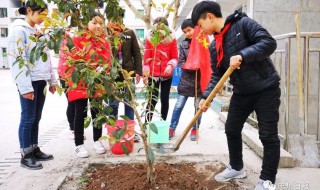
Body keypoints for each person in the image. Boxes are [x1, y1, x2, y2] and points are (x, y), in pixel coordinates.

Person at [191, 1, 280, 189]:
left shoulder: (243, 24)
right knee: (231, 129)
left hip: (266, 88)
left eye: (200, 25)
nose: (200, 30)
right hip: (242, 92)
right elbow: (217, 75)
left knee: (268, 136)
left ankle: (267, 180)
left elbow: (269, 43)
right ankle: (237, 167)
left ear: (210, 17)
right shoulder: (215, 46)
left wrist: (242, 55)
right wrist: (206, 97)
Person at [7, 1, 56, 170]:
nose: (44, 18)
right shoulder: (18, 30)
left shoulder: (37, 31)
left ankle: (34, 148)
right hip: (29, 81)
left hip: (40, 80)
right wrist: (25, 87)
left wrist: (52, 80)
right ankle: (25, 154)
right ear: (29, 11)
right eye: (41, 14)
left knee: (36, 117)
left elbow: (47, 57)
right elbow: (18, 60)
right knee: (28, 119)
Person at [65, 12, 112, 158]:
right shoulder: (78, 39)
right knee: (80, 113)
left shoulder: (103, 41)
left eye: (100, 23)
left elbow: (108, 60)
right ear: (86, 24)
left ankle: (97, 141)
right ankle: (79, 145)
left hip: (97, 81)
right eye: (94, 22)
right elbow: (72, 59)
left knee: (97, 112)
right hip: (80, 82)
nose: (98, 26)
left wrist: (103, 70)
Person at [107, 10, 142, 142]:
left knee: (129, 103)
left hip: (128, 73)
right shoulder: (105, 34)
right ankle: (113, 130)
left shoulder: (129, 33)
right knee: (113, 103)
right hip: (112, 74)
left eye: (116, 18)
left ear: (121, 18)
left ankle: (130, 131)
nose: (114, 21)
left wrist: (138, 71)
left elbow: (136, 53)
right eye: (111, 18)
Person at [168, 19, 202, 141]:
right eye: (185, 31)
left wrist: (201, 65)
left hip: (200, 82)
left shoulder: (203, 42)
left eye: (189, 30)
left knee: (198, 108)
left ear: (195, 28)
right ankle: (172, 127)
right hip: (186, 81)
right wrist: (191, 65)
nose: (187, 33)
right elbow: (181, 61)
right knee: (178, 106)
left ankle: (195, 128)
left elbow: (209, 61)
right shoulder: (183, 44)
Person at [143, 17, 178, 122]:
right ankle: (147, 124)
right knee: (151, 100)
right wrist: (145, 74)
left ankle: (163, 123)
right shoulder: (150, 40)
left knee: (164, 99)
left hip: (166, 75)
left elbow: (175, 57)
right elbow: (146, 59)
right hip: (153, 75)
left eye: (162, 28)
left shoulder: (172, 40)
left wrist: (170, 65)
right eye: (157, 28)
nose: (159, 31)